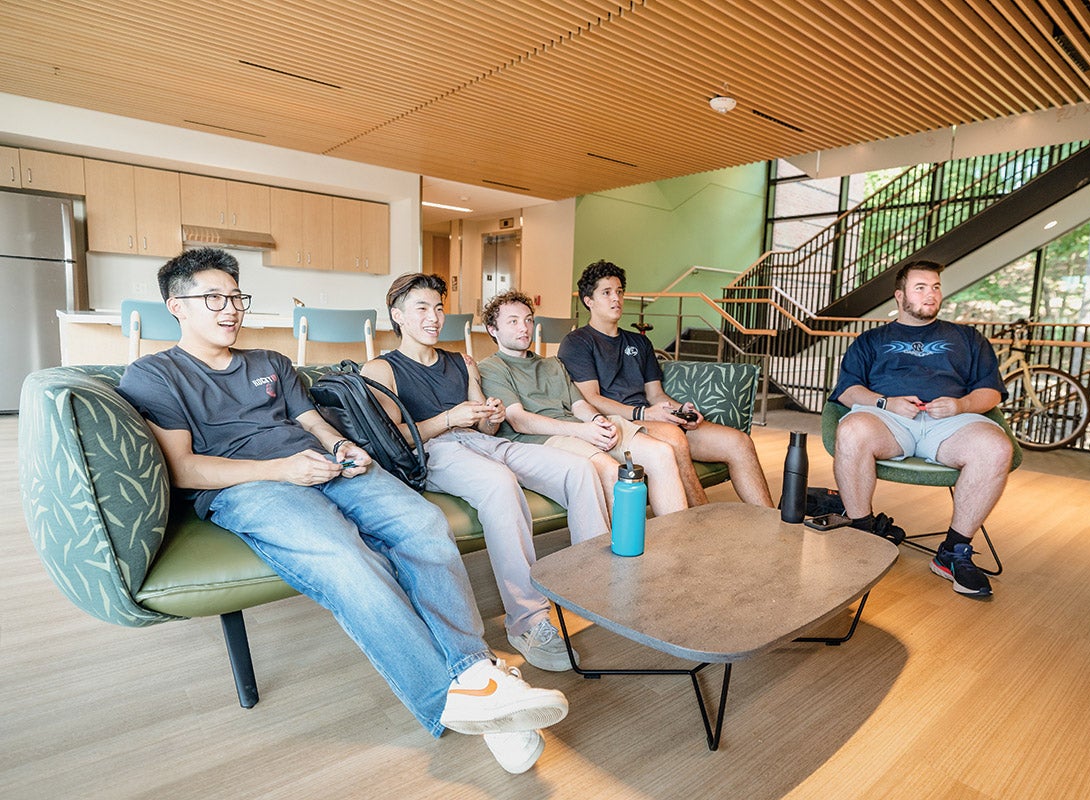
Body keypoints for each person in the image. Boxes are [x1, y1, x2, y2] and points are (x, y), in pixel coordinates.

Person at [116, 248, 567, 775]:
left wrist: (342, 448)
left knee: (423, 523)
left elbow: (312, 422)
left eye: (236, 296)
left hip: (323, 466)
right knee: (344, 556)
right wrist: (281, 470)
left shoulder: (271, 363)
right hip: (252, 488)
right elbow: (183, 469)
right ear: (177, 306)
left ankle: (473, 671)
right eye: (213, 297)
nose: (230, 308)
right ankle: (459, 700)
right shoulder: (155, 374)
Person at [361, 273, 609, 674]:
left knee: (579, 469)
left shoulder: (461, 362)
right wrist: (448, 418)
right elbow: (395, 439)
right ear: (398, 316)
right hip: (436, 452)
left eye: (439, 308)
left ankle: (592, 585)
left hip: (484, 444)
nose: (434, 317)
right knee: (499, 483)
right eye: (422, 308)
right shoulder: (381, 369)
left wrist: (489, 415)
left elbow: (486, 428)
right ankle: (528, 622)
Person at [829, 259, 1013, 598]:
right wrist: (886, 402)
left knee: (996, 447)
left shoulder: (967, 338)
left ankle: (953, 552)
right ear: (899, 296)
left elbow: (989, 391)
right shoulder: (871, 341)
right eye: (921, 287)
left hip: (950, 423)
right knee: (852, 429)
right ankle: (864, 535)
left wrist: (961, 405)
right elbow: (848, 390)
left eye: (936, 287)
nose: (931, 294)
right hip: (891, 420)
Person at [558, 259, 773, 509]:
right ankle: (702, 522)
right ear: (589, 301)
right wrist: (644, 413)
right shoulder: (577, 342)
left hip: (651, 419)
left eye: (619, 292)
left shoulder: (639, 343)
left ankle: (770, 522)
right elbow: (591, 399)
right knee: (673, 436)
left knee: (739, 442)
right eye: (606, 293)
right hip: (620, 424)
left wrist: (680, 410)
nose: (615, 298)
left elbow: (656, 394)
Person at [477, 290, 689, 518]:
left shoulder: (552, 364)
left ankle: (677, 543)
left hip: (580, 428)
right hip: (543, 440)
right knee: (609, 470)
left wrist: (598, 421)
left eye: (528, 319)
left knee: (662, 453)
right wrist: (582, 430)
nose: (524, 327)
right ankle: (620, 550)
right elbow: (520, 421)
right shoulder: (491, 368)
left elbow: (579, 405)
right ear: (493, 329)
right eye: (513, 321)